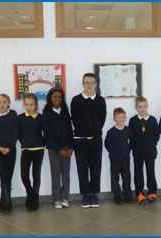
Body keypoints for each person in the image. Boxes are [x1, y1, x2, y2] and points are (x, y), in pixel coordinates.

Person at [71, 73, 107, 208]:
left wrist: (94, 130)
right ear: (82, 84)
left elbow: (102, 118)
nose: (89, 85)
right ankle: (85, 195)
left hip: (96, 139)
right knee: (82, 168)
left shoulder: (100, 100)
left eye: (92, 83)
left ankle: (94, 194)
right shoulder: (75, 100)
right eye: (86, 82)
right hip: (80, 140)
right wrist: (83, 130)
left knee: (95, 167)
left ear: (96, 85)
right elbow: (74, 119)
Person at [43, 88, 73, 209]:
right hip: (54, 149)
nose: (57, 99)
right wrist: (58, 149)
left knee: (66, 173)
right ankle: (56, 198)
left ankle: (65, 197)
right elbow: (47, 134)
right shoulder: (47, 113)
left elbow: (70, 131)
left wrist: (71, 147)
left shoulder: (65, 112)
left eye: (59, 97)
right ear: (50, 98)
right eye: (54, 97)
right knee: (55, 173)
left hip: (67, 148)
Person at [0, 94, 18, 213]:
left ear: (9, 103)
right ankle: (7, 202)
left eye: (4, 102)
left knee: (8, 176)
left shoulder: (13, 114)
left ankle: (4, 202)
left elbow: (15, 131)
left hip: (11, 150)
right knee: (3, 175)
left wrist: (10, 147)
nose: (2, 104)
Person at [129, 96, 160, 205]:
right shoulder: (133, 120)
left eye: (144, 107)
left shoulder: (152, 120)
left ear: (147, 106)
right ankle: (140, 194)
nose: (142, 109)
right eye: (140, 107)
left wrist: (151, 144)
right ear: (136, 108)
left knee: (150, 171)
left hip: (150, 151)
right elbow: (131, 136)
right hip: (137, 152)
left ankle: (152, 192)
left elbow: (157, 135)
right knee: (138, 173)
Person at [18, 93, 45, 211]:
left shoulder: (41, 118)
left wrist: (42, 142)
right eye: (26, 104)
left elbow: (46, 132)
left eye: (31, 104)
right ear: (24, 105)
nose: (29, 107)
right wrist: (24, 142)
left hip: (38, 150)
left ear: (36, 105)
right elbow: (18, 134)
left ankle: (34, 200)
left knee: (36, 175)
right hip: (26, 149)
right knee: (24, 175)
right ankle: (31, 194)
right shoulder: (20, 118)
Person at [104, 107, 134, 205]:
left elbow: (132, 142)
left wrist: (127, 151)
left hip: (125, 158)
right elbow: (107, 144)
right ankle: (117, 196)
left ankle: (127, 195)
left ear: (125, 118)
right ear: (114, 119)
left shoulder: (128, 130)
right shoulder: (111, 132)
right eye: (118, 117)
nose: (121, 119)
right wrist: (113, 152)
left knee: (126, 177)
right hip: (114, 159)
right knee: (115, 177)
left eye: (123, 117)